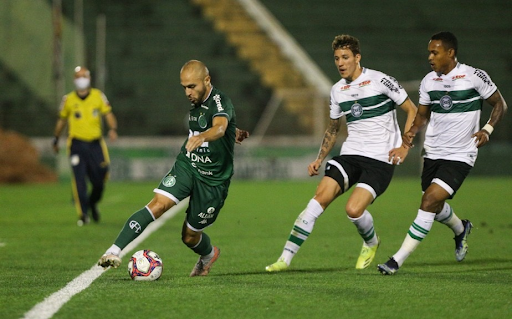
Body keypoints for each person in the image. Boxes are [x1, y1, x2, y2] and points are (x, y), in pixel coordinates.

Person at [265, 34, 417, 272]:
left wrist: (405, 146)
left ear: (357, 58)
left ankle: (371, 241)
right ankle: (284, 259)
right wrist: (319, 158)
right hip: (351, 155)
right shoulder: (337, 90)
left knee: (353, 211)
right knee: (318, 200)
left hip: (380, 159)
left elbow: (412, 110)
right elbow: (333, 128)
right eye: (336, 58)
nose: (340, 63)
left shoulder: (380, 80)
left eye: (345, 57)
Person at [98, 60, 249, 277]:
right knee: (158, 205)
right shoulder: (198, 102)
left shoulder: (220, 100)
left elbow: (219, 126)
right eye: (184, 87)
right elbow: (220, 126)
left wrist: (206, 136)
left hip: (214, 181)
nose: (187, 92)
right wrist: (232, 133)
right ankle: (113, 251)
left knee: (189, 236)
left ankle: (209, 254)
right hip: (188, 164)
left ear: (207, 80)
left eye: (192, 86)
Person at [377, 31, 507, 275]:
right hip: (433, 152)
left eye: (435, 52)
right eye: (429, 52)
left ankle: (396, 260)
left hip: (461, 154)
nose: (430, 57)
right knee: (433, 206)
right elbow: (423, 114)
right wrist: (410, 135)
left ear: (450, 53)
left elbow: (500, 104)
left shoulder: (473, 76)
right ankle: (461, 229)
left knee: (428, 202)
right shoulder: (429, 81)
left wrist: (487, 129)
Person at [52, 66, 118, 226]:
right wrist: (56, 138)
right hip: (77, 144)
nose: (81, 79)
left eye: (83, 76)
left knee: (100, 178)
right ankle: (83, 214)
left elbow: (108, 113)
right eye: (78, 76)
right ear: (74, 80)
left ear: (89, 78)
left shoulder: (97, 96)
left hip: (95, 144)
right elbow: (62, 119)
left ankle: (92, 202)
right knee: (79, 179)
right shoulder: (68, 99)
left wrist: (113, 129)